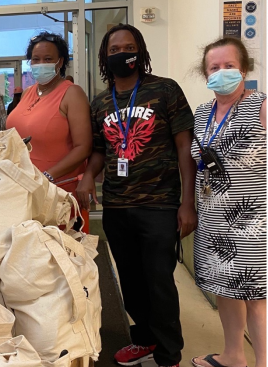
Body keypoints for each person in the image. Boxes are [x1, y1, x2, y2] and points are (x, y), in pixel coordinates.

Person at [76, 23, 197, 367]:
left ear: (140, 51)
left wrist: (187, 203)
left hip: (159, 204)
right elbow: (99, 151)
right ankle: (143, 339)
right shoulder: (100, 102)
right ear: (104, 57)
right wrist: (87, 178)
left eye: (128, 47)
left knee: (158, 279)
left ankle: (169, 353)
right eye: (114, 50)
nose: (121, 54)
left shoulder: (164, 90)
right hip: (117, 205)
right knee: (129, 279)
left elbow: (184, 147)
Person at [189, 37, 267, 367]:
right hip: (212, 222)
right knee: (225, 291)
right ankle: (233, 355)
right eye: (214, 67)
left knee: (256, 300)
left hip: (251, 223)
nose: (222, 73)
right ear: (205, 74)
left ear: (244, 69)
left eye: (229, 66)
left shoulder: (261, 105)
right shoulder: (203, 111)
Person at [6, 31, 92, 233]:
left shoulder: (72, 93)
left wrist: (46, 177)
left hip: (59, 193)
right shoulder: (28, 92)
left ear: (60, 62)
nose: (40, 63)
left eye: (48, 59)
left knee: (64, 256)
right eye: (35, 59)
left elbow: (83, 147)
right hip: (26, 191)